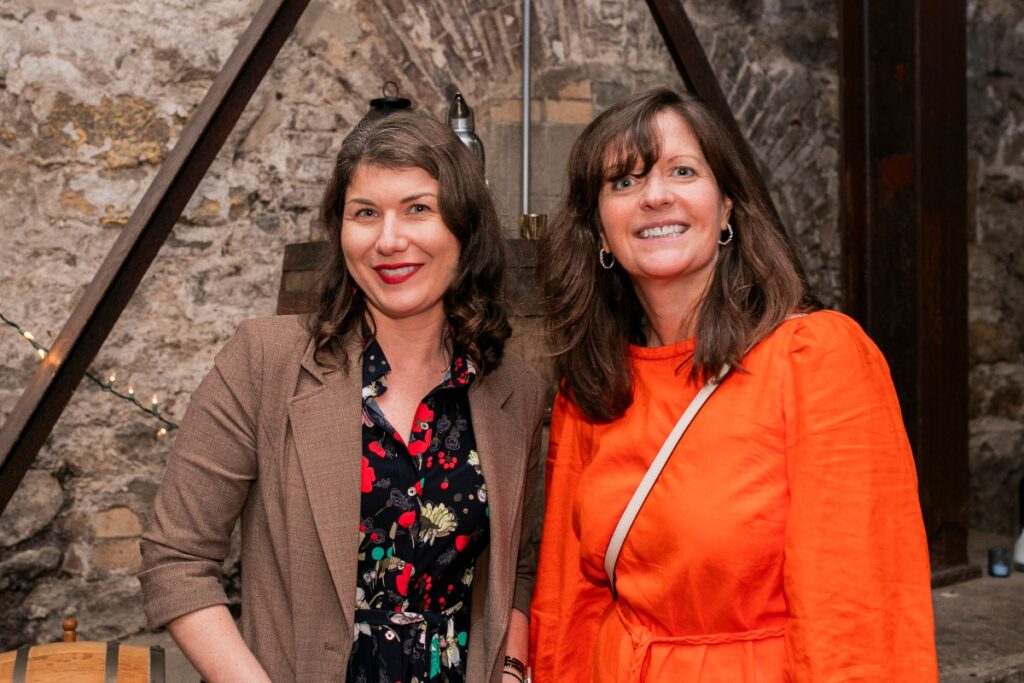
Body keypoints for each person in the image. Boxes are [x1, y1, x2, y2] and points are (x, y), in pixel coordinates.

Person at [528, 88, 937, 681]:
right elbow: (568, 606)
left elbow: (857, 614)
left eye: (683, 171)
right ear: (598, 230)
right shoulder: (595, 384)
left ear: (726, 209)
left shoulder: (816, 358)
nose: (655, 195)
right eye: (624, 182)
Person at [139, 109, 546, 683]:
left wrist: (509, 667)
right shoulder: (264, 361)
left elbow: (521, 562)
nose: (389, 239)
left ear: (465, 228)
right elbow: (176, 559)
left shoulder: (515, 392)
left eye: (418, 209)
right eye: (365, 213)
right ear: (340, 229)